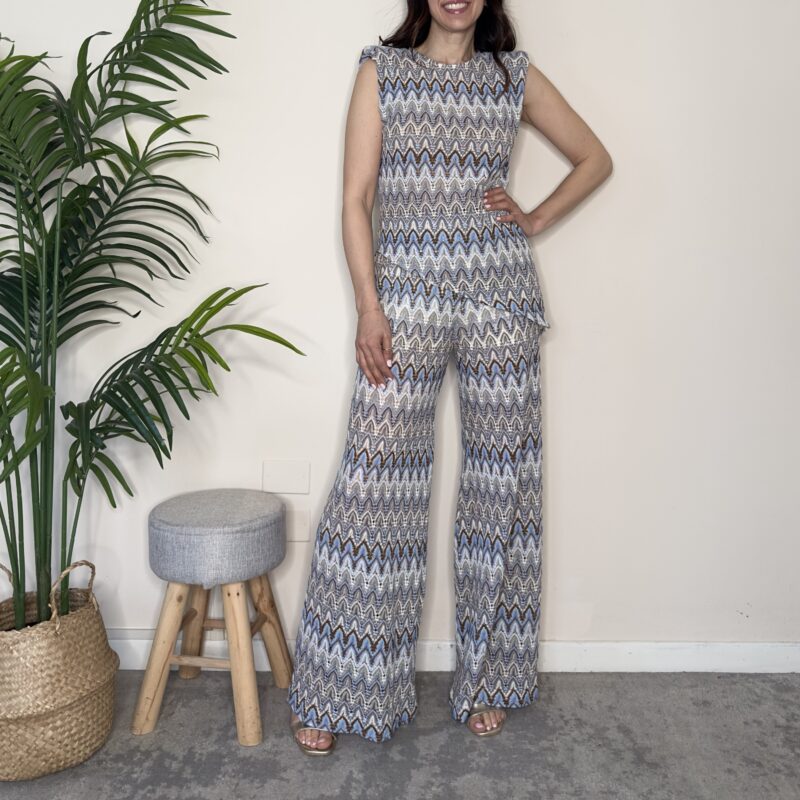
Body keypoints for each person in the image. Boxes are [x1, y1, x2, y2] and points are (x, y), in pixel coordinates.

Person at [288, 0, 612, 755]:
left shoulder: (513, 76)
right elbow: (356, 199)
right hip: (403, 300)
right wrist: (369, 307)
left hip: (501, 296)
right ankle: (337, 688)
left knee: (503, 486)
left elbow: (595, 158)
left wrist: (534, 218)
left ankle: (487, 680)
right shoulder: (383, 71)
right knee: (374, 480)